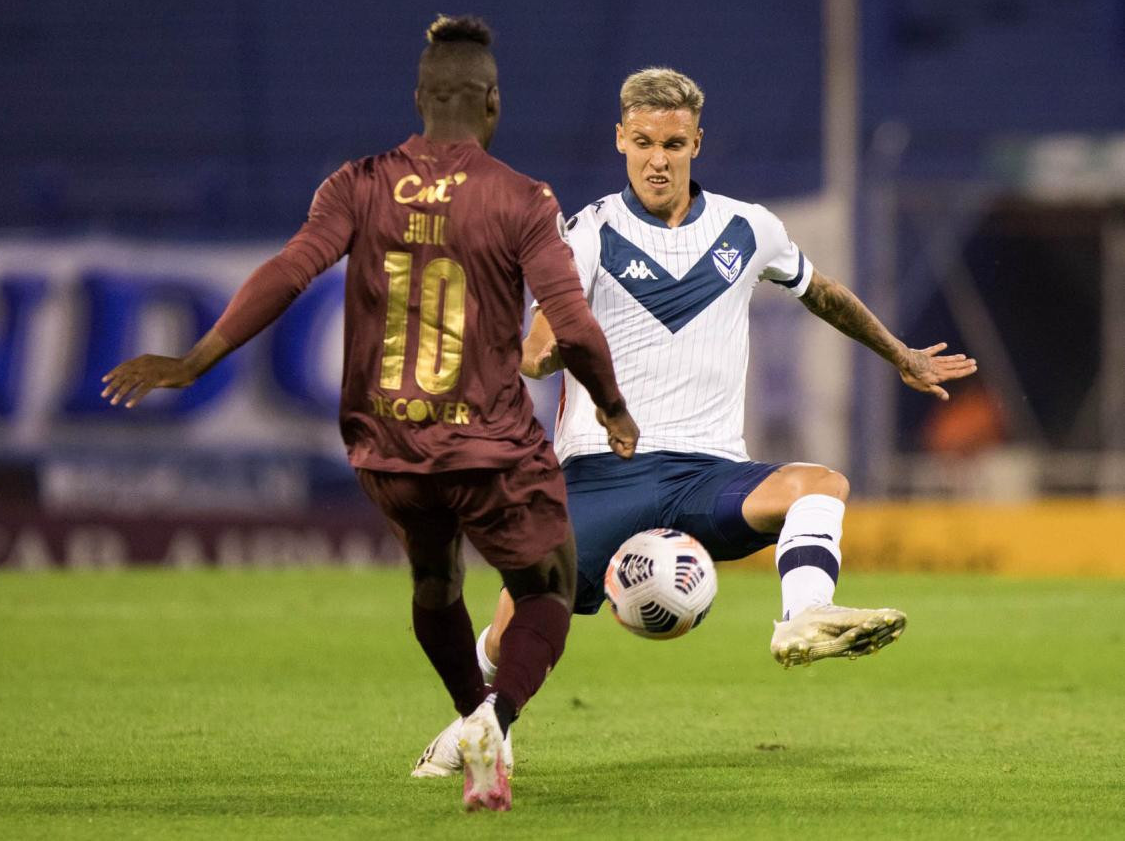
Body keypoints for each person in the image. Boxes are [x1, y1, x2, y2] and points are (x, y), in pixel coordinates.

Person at [100, 15, 639, 813]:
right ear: (492, 103)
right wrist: (612, 408)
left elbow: (289, 271)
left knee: (433, 583)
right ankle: (494, 716)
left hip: (387, 447)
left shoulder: (357, 183)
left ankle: (473, 726)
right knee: (548, 588)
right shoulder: (524, 199)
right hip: (489, 444)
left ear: (420, 96)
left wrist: (193, 360)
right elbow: (575, 322)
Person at [412, 66, 977, 778]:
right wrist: (549, 349)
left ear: (696, 143)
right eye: (644, 141)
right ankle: (476, 723)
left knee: (819, 484)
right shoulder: (588, 234)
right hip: (600, 473)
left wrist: (901, 355)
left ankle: (803, 615)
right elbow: (534, 352)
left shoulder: (748, 228)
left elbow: (822, 292)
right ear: (621, 138)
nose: (657, 158)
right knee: (519, 624)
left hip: (707, 473)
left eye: (673, 144)